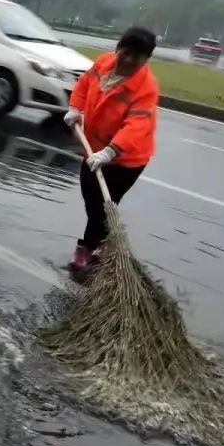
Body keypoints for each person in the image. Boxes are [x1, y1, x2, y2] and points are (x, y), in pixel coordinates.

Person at [65, 26, 159, 273]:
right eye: (126, 52)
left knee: (104, 206)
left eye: (137, 57)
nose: (128, 60)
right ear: (118, 48)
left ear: (145, 60)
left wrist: (111, 151)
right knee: (91, 197)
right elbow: (84, 84)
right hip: (93, 148)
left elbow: (137, 125)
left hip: (126, 159)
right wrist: (75, 107)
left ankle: (85, 252)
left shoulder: (146, 88)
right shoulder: (104, 63)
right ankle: (102, 242)